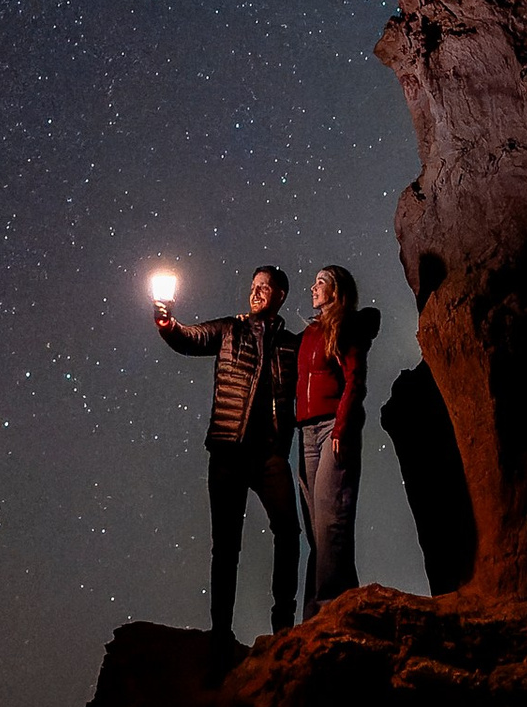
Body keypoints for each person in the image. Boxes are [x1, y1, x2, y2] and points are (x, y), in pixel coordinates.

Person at [155, 263, 301, 641]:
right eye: (253, 286)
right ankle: (221, 634)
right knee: (226, 547)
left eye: (264, 286)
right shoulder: (228, 330)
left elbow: (323, 356)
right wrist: (167, 323)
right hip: (227, 452)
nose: (255, 292)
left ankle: (283, 626)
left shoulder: (292, 345)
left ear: (280, 295)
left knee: (288, 531)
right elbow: (189, 338)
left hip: (270, 456)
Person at [293, 263, 377, 616]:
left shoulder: (345, 326)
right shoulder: (309, 332)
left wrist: (342, 427)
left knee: (332, 519)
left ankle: (330, 606)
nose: (313, 288)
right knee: (318, 527)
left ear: (336, 290)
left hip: (333, 429)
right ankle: (321, 609)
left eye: (321, 282)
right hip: (306, 432)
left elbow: (355, 379)